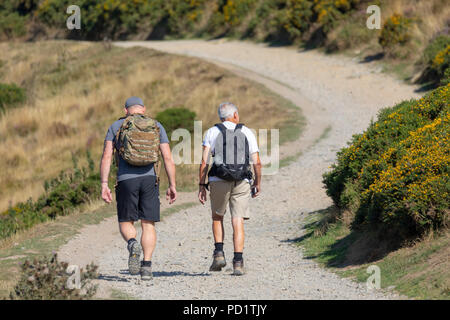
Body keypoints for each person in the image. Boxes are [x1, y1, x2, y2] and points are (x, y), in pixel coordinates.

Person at [100, 96, 177, 281]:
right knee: (148, 223)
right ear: (143, 109)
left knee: (126, 221)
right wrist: (172, 184)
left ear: (125, 110)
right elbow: (167, 157)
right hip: (150, 179)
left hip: (126, 180)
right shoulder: (156, 126)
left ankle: (132, 243)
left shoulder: (115, 127)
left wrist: (104, 184)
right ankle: (147, 267)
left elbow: (106, 157)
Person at [198, 102, 262, 276]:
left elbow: (205, 162)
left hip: (218, 179)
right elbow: (257, 161)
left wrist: (202, 185)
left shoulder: (212, 132)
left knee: (217, 216)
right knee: (237, 219)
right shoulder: (247, 131)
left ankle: (219, 253)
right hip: (242, 180)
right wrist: (257, 183)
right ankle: (238, 262)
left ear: (221, 117)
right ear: (235, 116)